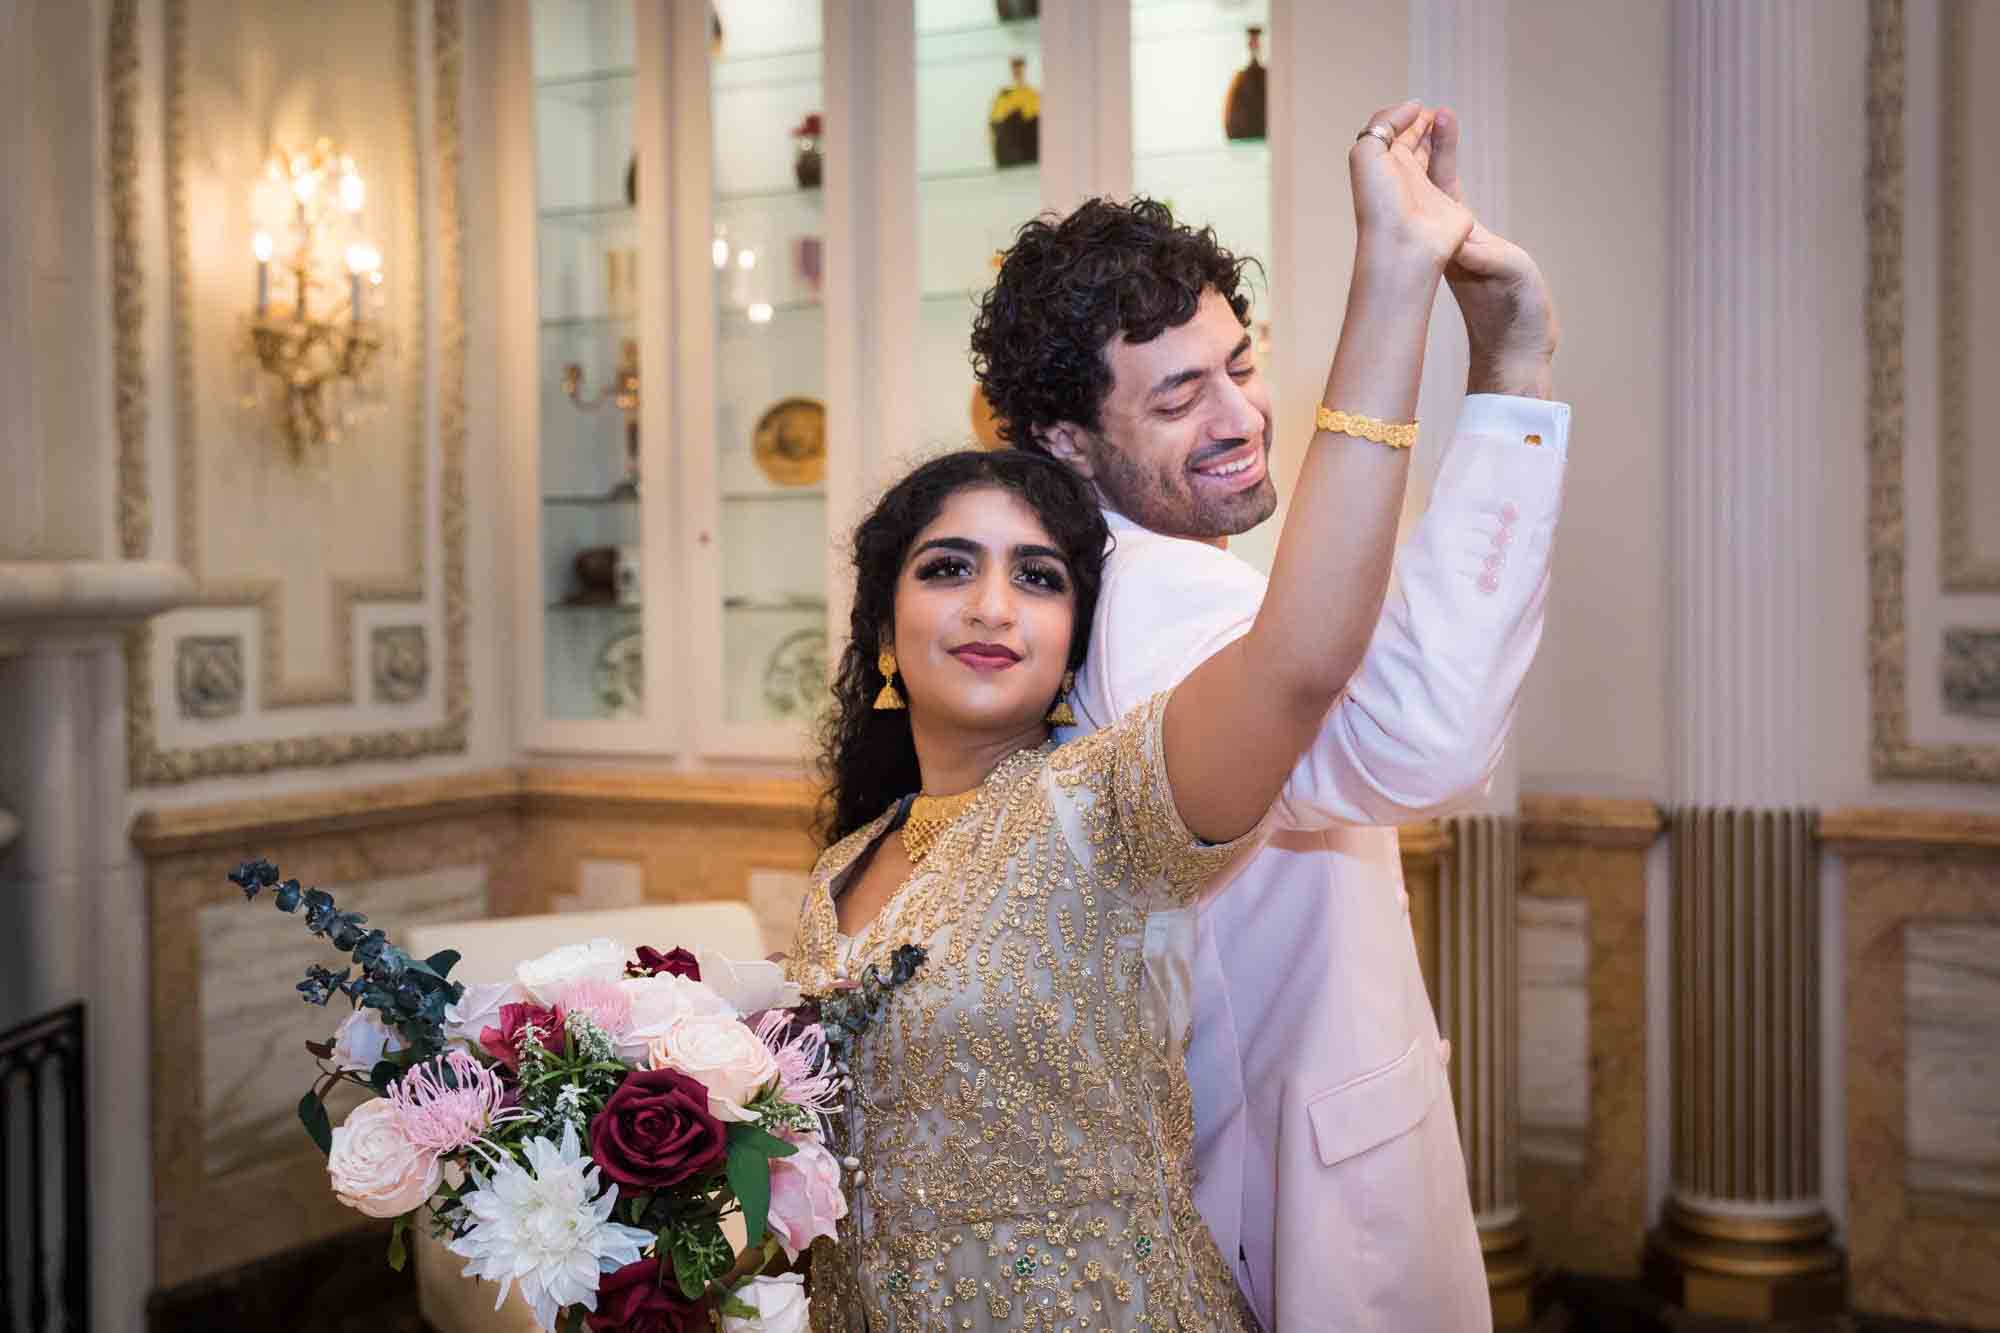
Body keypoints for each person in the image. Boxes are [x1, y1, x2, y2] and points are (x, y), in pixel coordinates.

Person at [787, 103, 1483, 1331]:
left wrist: (1397, 287)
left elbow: (1297, 661)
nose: (994, 604)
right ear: (881, 624)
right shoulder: (847, 862)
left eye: (1041, 577)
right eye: (947, 568)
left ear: (1073, 631)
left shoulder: (1093, 806)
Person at [966, 108, 1567, 1330]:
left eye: (1238, 364)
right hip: (1293, 1209)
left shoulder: (1148, 573)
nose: (1239, 416)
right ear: (1062, 441)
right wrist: (1508, 370)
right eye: (1179, 396)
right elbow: (1416, 740)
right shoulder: (1151, 601)